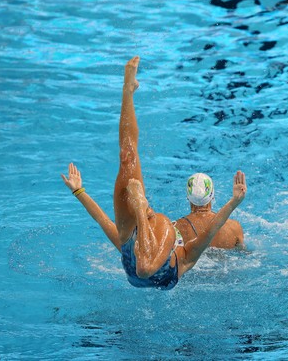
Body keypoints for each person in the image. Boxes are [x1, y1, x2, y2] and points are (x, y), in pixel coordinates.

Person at [61, 56, 247, 290]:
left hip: (143, 264)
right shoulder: (187, 256)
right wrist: (79, 191)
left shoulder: (166, 233)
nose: (150, 210)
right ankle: (128, 92)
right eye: (149, 210)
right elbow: (212, 228)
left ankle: (128, 93)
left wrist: (140, 208)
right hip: (143, 254)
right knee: (127, 156)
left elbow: (145, 268)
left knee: (154, 233)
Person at [61, 166, 245, 250]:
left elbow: (103, 220)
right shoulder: (234, 228)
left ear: (187, 198)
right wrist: (234, 201)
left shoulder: (173, 230)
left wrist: (78, 190)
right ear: (213, 195)